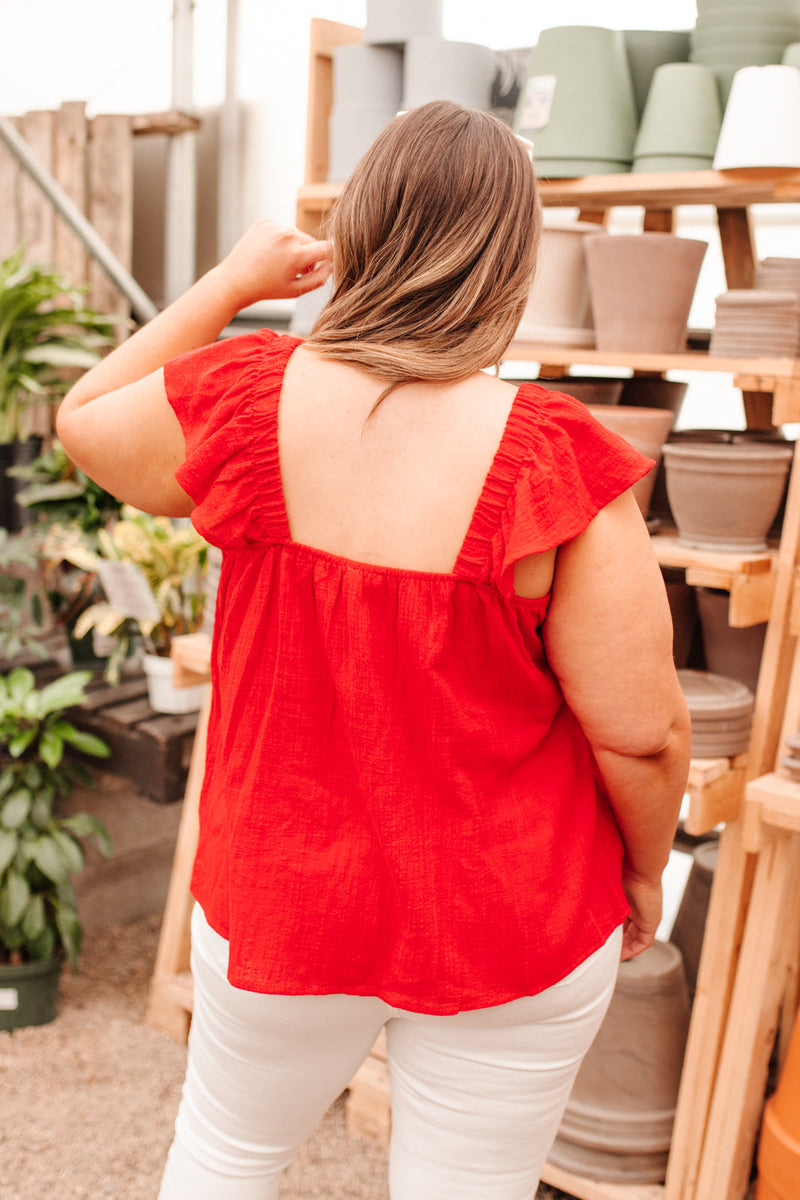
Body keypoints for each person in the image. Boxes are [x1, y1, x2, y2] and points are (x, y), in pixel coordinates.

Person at [57, 101, 691, 1200]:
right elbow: (640, 737)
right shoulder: (556, 462)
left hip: (281, 899)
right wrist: (640, 870)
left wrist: (230, 283)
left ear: (363, 235)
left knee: (223, 1162)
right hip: (511, 918)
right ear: (511, 259)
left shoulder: (248, 401)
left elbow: (85, 415)